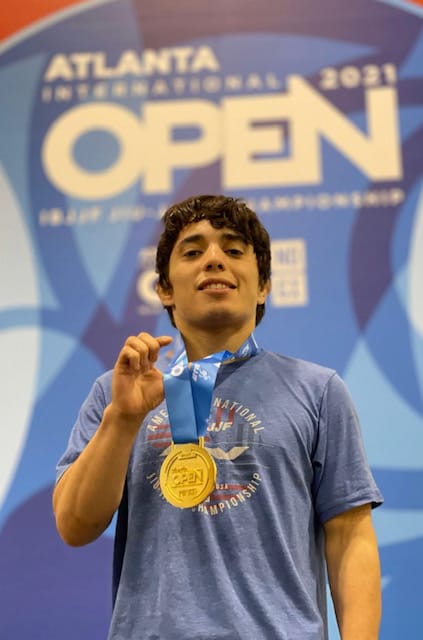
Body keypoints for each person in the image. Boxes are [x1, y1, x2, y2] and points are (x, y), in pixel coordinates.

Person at [54, 194, 383, 640]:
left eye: (233, 249)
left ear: (263, 286)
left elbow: (350, 536)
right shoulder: (117, 393)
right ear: (164, 289)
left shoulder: (318, 390)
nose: (214, 259)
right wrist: (123, 420)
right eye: (193, 252)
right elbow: (74, 526)